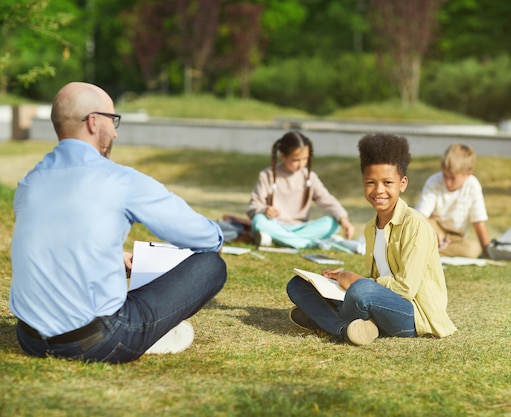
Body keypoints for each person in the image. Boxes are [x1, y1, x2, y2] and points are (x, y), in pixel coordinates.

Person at [10, 82, 227, 364]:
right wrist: (218, 237)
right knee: (211, 265)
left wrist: (112, 257)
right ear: (93, 121)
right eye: (113, 121)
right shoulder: (120, 180)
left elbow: (53, 243)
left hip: (29, 339)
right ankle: (151, 336)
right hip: (95, 342)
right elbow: (205, 238)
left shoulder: (30, 182)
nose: (114, 131)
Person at [286, 133, 456, 345]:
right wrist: (341, 278)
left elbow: (405, 289)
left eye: (387, 182)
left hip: (412, 315)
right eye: (371, 182)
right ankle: (346, 328)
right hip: (378, 301)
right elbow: (380, 278)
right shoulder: (371, 227)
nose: (379, 190)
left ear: (402, 184)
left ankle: (325, 320)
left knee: (359, 290)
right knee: (297, 285)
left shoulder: (415, 224)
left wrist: (358, 281)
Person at [246, 131, 354, 249]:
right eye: (296, 160)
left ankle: (278, 239)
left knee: (333, 223)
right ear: (283, 156)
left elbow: (327, 200)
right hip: (275, 224)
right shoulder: (267, 175)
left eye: (305, 159)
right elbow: (253, 207)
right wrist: (265, 209)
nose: (301, 164)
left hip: (301, 227)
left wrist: (345, 221)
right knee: (259, 220)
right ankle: (309, 243)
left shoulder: (309, 177)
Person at [415, 144, 490, 258]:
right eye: (445, 175)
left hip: (456, 237)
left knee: (473, 249)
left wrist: (487, 251)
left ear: (467, 174)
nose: (447, 182)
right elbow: (420, 217)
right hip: (434, 228)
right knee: (418, 226)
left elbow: (478, 222)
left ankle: (431, 250)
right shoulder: (434, 182)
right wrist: (433, 233)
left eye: (453, 178)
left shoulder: (473, 186)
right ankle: (431, 246)